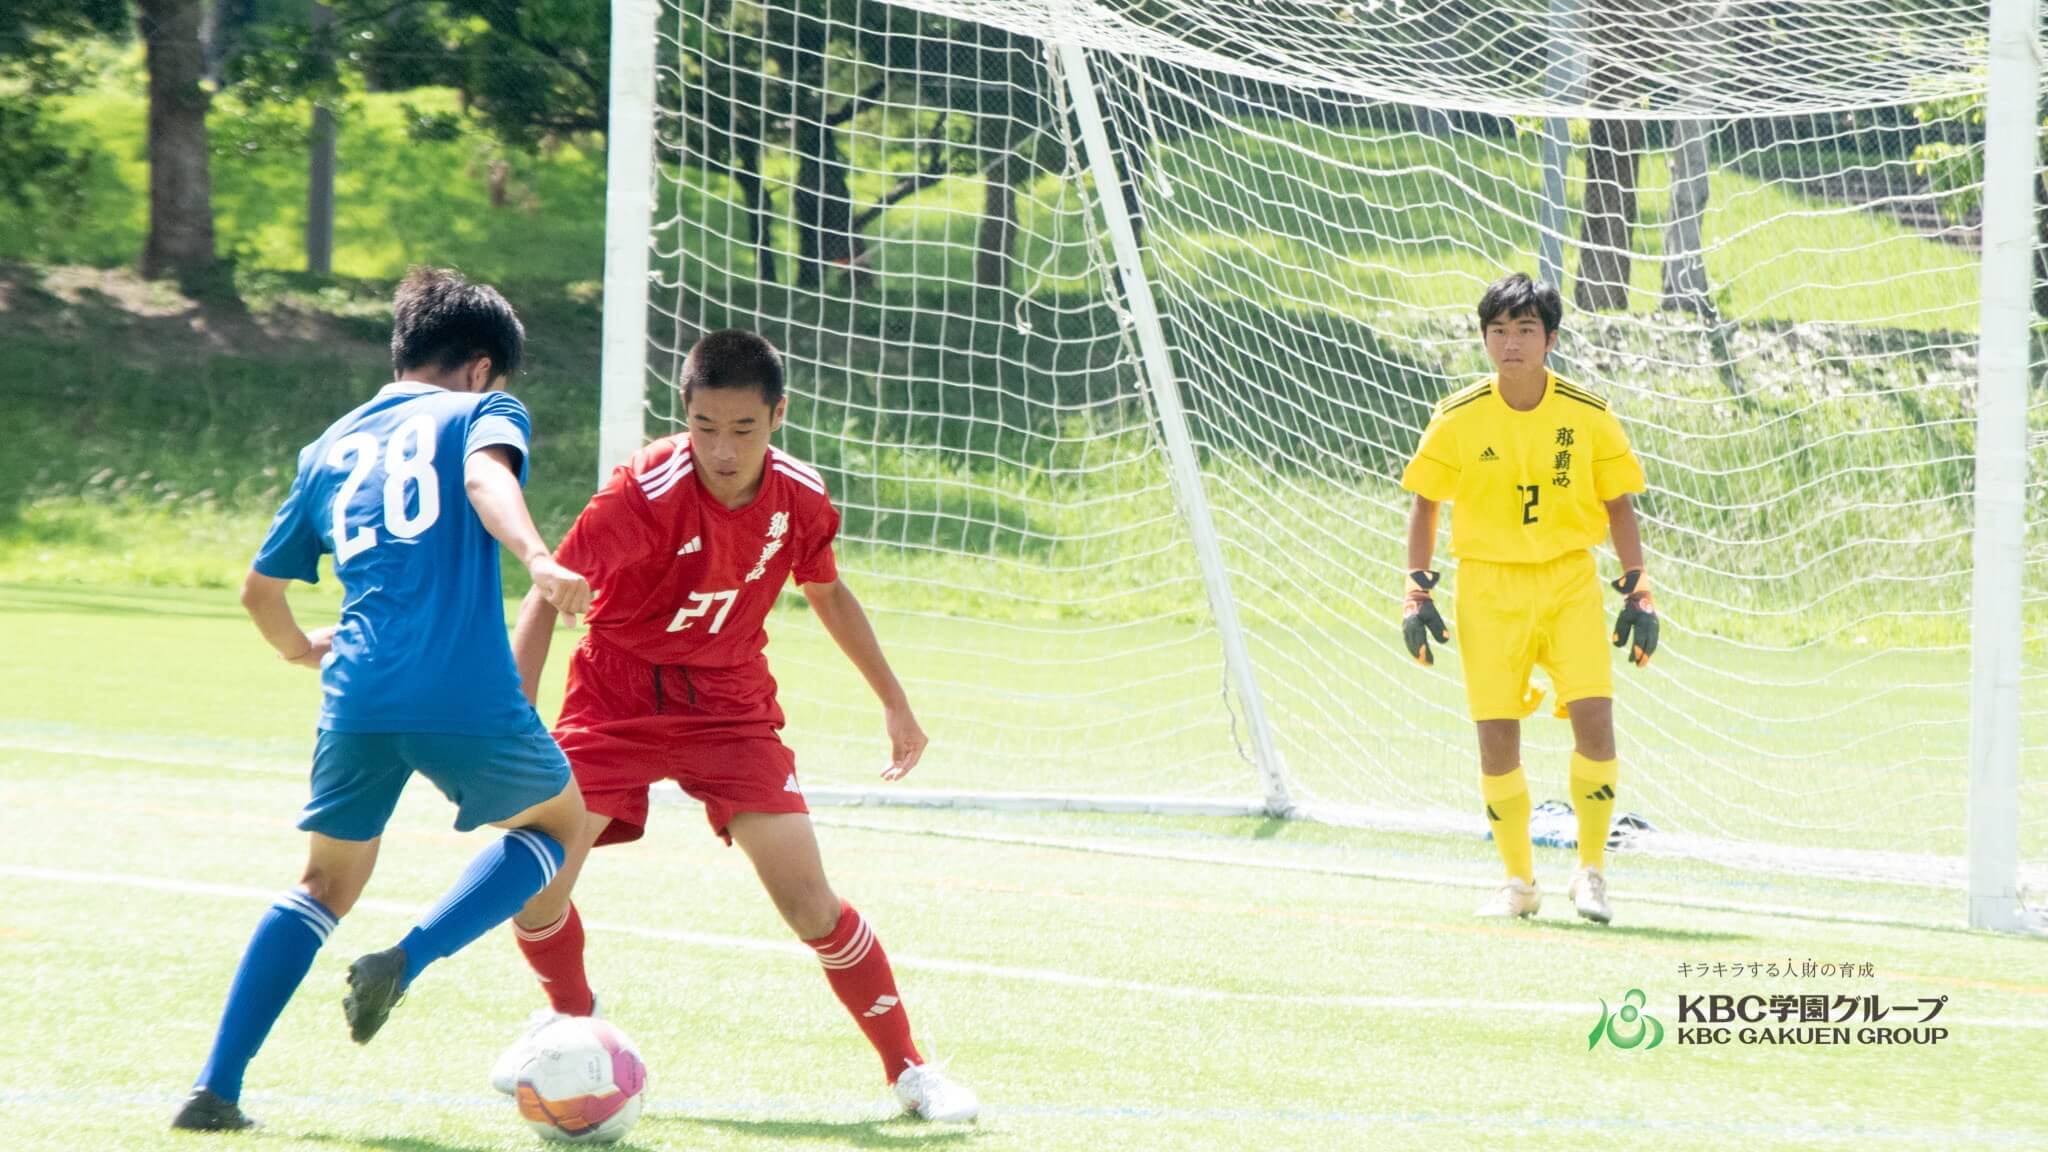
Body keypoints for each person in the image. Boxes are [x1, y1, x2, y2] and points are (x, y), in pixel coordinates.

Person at [488, 329, 978, 1122]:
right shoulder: (641, 492)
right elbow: (549, 593)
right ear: (684, 412)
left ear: (777, 415)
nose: (721, 449)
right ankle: (571, 1020)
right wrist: (515, 722)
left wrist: (894, 700)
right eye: (704, 426)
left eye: (743, 429)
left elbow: (828, 592)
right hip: (616, 692)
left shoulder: (801, 497)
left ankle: (912, 1070)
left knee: (809, 901)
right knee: (534, 883)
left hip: (728, 702)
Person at [172, 268, 593, 1131]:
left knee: (324, 882)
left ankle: (215, 1089)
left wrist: (301, 649)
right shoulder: (481, 412)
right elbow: (485, 481)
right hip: (460, 687)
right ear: (481, 366)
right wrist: (539, 558)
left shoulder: (328, 446)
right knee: (558, 826)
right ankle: (408, 956)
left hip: (355, 693)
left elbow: (259, 591)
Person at [1398, 272, 1657, 923]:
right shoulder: (1457, 417)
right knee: (1496, 741)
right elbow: (1426, 504)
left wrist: (1638, 590)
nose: (1510, 344)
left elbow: (1618, 504)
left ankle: (1590, 872)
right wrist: (1416, 591)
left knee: (1596, 727)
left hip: (1570, 584)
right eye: (1498, 331)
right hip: (1488, 589)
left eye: (1524, 330)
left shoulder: (1587, 414)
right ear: (1485, 338)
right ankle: (1519, 882)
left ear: (1551, 339)